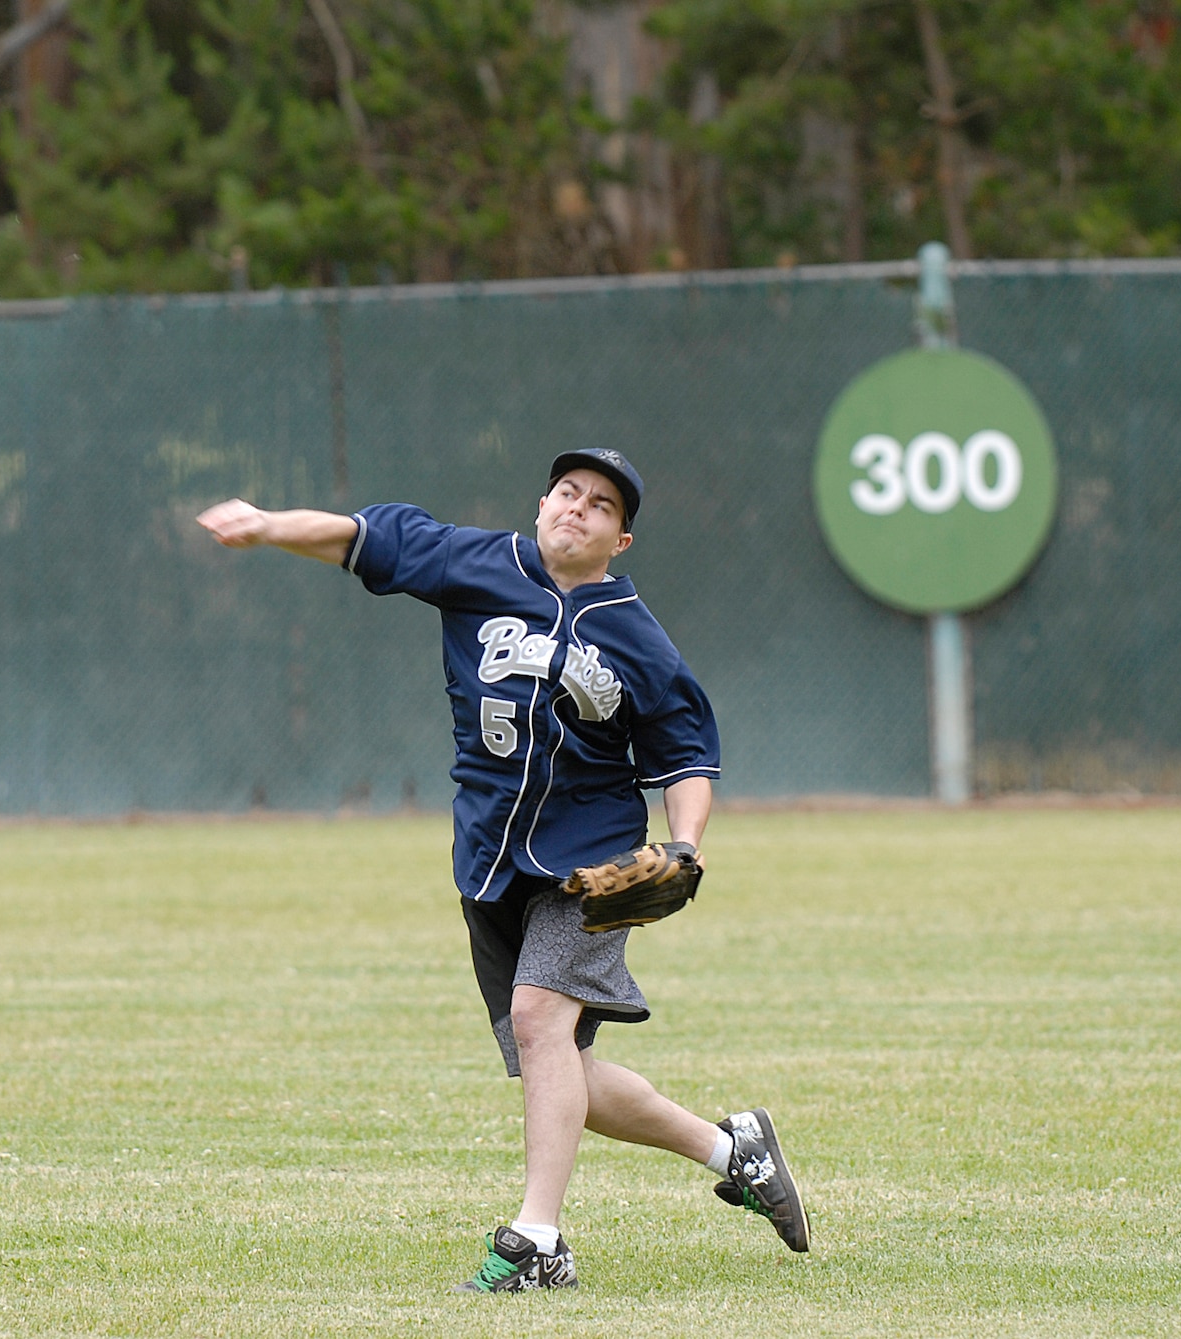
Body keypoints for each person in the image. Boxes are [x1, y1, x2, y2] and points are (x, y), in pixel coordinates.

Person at [195, 449, 808, 1292]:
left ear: (619, 539)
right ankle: (730, 1148)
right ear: (542, 503)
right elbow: (357, 537)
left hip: (589, 858)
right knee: (560, 1068)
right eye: (568, 492)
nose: (578, 508)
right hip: (488, 859)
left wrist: (686, 843)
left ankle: (538, 1242)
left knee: (537, 1023)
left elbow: (687, 754)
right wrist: (265, 527)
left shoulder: (639, 637)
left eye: (600, 505)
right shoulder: (475, 563)